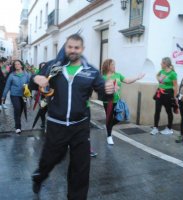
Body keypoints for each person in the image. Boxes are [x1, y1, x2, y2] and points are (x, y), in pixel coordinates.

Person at [31, 34, 114, 199]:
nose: (73, 50)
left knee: (81, 167)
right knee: (50, 159)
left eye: (77, 48)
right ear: (66, 48)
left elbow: (103, 94)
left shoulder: (91, 72)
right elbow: (33, 81)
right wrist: (36, 78)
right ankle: (39, 177)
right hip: (56, 124)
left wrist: (108, 91)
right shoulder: (54, 67)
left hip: (80, 125)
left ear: (82, 49)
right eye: (70, 47)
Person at [101, 58, 145, 145]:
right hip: (108, 102)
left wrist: (137, 77)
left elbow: (127, 81)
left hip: (117, 100)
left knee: (120, 117)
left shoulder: (118, 75)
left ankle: (109, 126)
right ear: (108, 66)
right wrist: (110, 88)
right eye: (112, 65)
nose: (114, 66)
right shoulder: (103, 77)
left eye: (114, 64)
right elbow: (100, 89)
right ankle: (109, 136)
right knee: (109, 118)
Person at [150, 57, 178, 135]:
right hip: (159, 93)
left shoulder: (172, 73)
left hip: (168, 94)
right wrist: (159, 79)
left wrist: (175, 97)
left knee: (168, 111)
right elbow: (157, 77)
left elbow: (175, 86)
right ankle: (155, 128)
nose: (160, 64)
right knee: (157, 111)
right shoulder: (161, 71)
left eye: (162, 63)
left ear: (165, 64)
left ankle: (169, 128)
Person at [2, 60, 30, 134]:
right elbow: (7, 86)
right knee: (17, 108)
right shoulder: (12, 75)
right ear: (14, 66)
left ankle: (17, 119)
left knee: (20, 110)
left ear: (21, 65)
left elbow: (30, 83)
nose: (17, 65)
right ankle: (18, 126)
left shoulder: (26, 74)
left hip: (23, 95)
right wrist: (3, 96)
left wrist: (28, 88)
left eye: (18, 64)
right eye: (15, 64)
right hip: (14, 95)